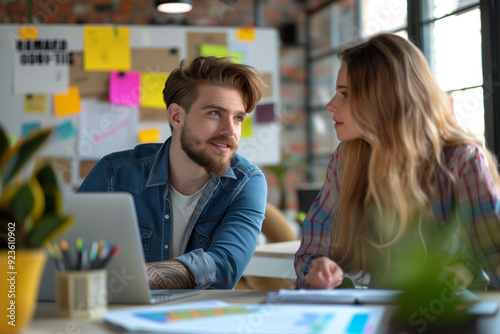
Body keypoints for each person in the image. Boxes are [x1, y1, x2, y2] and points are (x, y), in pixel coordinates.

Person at [294, 33, 500, 290]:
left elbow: (496, 259)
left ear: (385, 98)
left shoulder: (461, 159)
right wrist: (316, 267)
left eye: (345, 94)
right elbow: (311, 253)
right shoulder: (346, 159)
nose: (331, 105)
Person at [78, 56, 267, 290]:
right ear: (177, 116)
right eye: (215, 113)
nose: (230, 131)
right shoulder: (112, 175)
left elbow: (224, 267)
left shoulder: (246, 182)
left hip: (199, 321)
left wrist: (126, 278)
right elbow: (69, 259)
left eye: (238, 118)